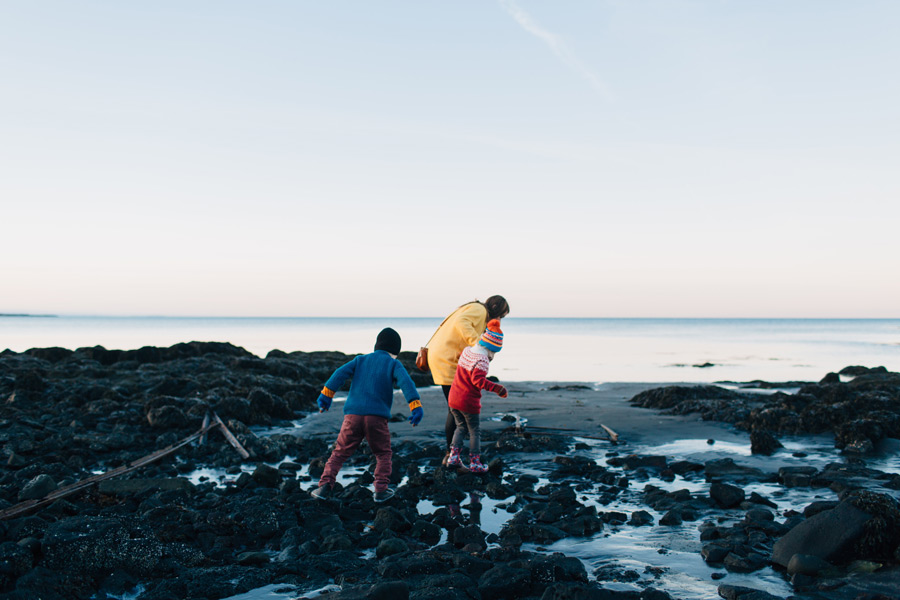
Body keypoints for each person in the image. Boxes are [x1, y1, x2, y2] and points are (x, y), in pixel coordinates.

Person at [311, 327, 423, 503]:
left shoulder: (360, 360)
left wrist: (326, 395)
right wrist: (415, 406)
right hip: (376, 419)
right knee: (383, 454)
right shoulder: (393, 364)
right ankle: (380, 490)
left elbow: (338, 374)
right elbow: (406, 383)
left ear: (376, 345)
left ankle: (324, 486)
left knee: (339, 452)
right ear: (396, 350)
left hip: (352, 416)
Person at [426, 295, 509, 464]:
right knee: (455, 408)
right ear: (495, 310)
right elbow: (461, 323)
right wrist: (478, 345)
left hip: (443, 357)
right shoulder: (479, 310)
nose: (500, 320)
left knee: (454, 407)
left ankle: (452, 455)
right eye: (501, 316)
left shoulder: (475, 309)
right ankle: (450, 456)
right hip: (447, 360)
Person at [447, 319, 507, 473]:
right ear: (491, 348)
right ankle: (475, 463)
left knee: (460, 427)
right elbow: (478, 381)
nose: (493, 356)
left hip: (453, 398)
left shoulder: (467, 351)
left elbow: (462, 363)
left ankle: (453, 457)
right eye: (494, 352)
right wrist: (497, 388)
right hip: (468, 401)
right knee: (474, 430)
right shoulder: (482, 360)